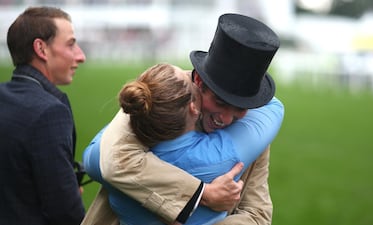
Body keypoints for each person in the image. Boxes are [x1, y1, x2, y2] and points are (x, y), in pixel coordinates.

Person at [82, 13, 282, 225]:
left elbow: (257, 213)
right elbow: (109, 160)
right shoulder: (160, 98)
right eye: (220, 102)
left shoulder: (253, 128)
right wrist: (203, 194)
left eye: (240, 108)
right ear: (197, 81)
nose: (226, 118)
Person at [0, 6, 86, 225]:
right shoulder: (50, 112)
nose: (81, 56)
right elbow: (66, 213)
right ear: (41, 48)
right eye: (71, 44)